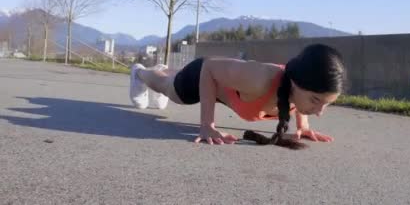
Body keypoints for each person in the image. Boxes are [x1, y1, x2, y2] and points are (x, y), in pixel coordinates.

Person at [129, 43, 347, 149]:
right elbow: (210, 68)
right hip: (205, 74)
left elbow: (303, 100)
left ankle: (162, 69)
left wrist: (304, 125)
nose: (319, 112)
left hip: (228, 81)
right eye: (315, 101)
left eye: (326, 104)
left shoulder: (299, 91)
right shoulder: (260, 78)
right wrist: (206, 125)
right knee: (169, 89)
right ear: (295, 83)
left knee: (168, 81)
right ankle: (140, 72)